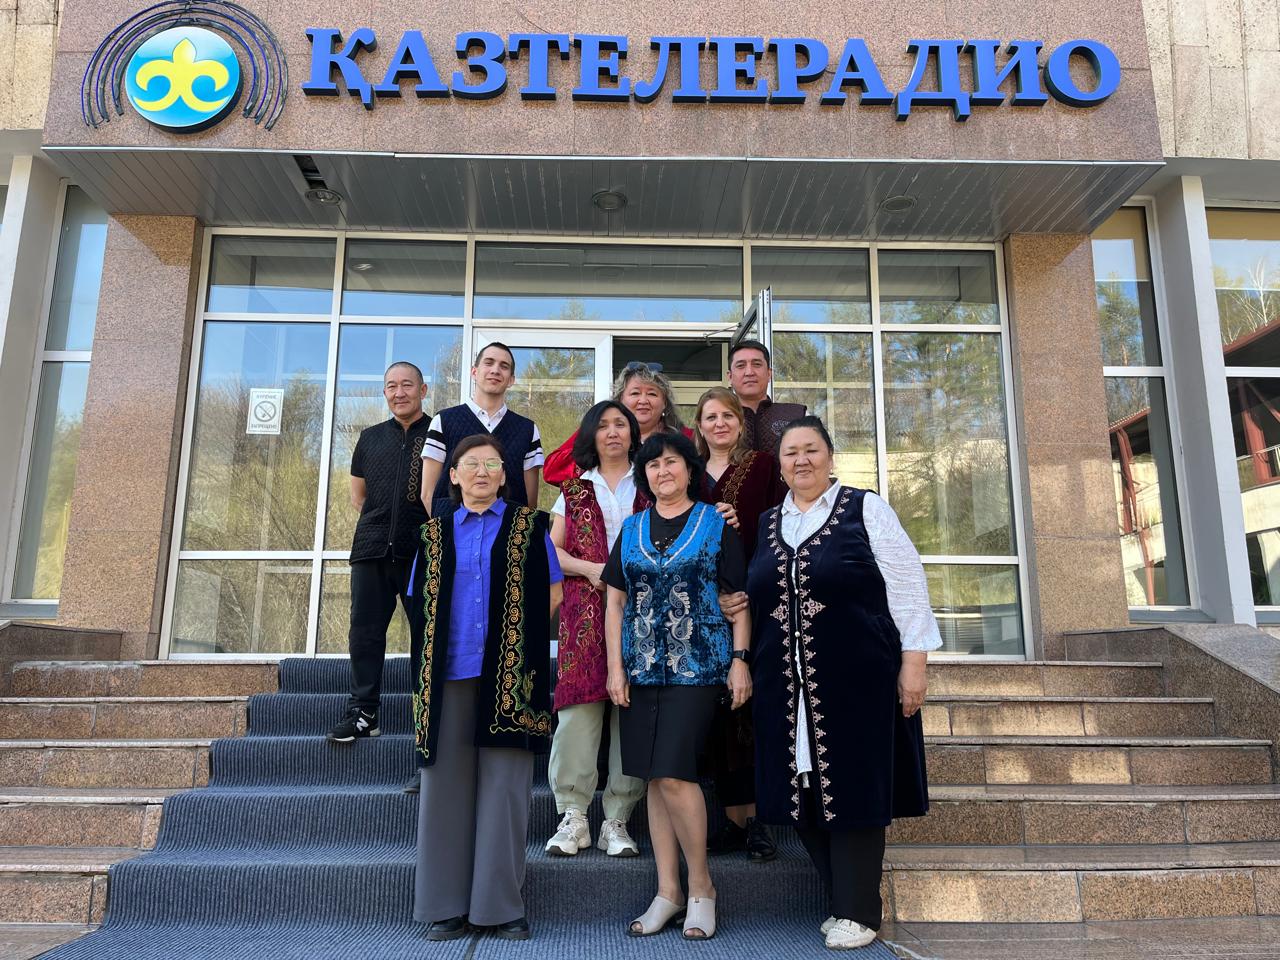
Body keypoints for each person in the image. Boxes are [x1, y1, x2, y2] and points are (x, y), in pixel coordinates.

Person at [738, 416, 940, 951]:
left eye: (811, 449)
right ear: (780, 466)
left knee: (855, 788)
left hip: (859, 679)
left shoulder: (864, 508)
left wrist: (914, 663)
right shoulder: (770, 521)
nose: (801, 460)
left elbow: (907, 585)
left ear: (830, 456)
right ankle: (842, 902)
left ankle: (859, 911)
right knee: (800, 792)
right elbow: (758, 593)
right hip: (785, 686)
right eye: (790, 453)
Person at [412, 434, 563, 943]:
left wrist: (513, 640)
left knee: (505, 792)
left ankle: (500, 907)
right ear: (453, 476)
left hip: (510, 678)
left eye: (492, 464)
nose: (482, 472)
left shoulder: (529, 527)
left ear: (504, 476)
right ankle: (445, 906)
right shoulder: (432, 535)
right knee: (444, 790)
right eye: (471, 464)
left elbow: (553, 592)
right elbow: (418, 601)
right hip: (447, 676)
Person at [604, 432, 752, 942]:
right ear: (644, 476)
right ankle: (667, 891)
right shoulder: (632, 527)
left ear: (689, 470)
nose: (662, 471)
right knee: (653, 778)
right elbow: (615, 602)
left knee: (674, 774)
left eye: (672, 462)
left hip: (699, 666)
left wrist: (740, 661)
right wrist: (615, 668)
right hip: (641, 668)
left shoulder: (716, 523)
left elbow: (739, 598)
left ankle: (701, 886)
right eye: (653, 465)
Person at [544, 401, 648, 859]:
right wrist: (593, 569)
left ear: (632, 434)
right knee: (578, 711)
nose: (612, 432)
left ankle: (617, 819)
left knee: (633, 710)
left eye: (620, 424)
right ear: (591, 435)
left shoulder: (650, 482)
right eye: (603, 425)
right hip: (584, 614)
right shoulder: (572, 489)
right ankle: (573, 816)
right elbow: (553, 551)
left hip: (644, 613)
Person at [692, 387, 787, 864]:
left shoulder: (764, 467)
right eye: (710, 417)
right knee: (715, 715)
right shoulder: (686, 471)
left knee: (749, 710)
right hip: (697, 607)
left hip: (752, 599)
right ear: (699, 425)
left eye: (727, 416)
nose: (719, 424)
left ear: (740, 422)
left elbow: (780, 525)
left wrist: (739, 528)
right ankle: (730, 821)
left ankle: (759, 822)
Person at [327, 361, 429, 746]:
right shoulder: (369, 438)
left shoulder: (440, 435)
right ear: (384, 392)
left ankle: (428, 715)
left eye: (407, 385)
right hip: (370, 549)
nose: (399, 393)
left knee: (427, 634)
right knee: (365, 634)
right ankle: (363, 712)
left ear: (423, 390)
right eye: (391, 386)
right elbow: (359, 497)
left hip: (421, 551)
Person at [420, 342, 544, 515]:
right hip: (453, 529)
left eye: (504, 366)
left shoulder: (528, 429)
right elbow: (427, 494)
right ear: (474, 372)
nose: (495, 370)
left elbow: (530, 501)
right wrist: (445, 528)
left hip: (508, 530)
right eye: (489, 363)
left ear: (511, 379)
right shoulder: (443, 421)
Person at [543, 361, 693, 486]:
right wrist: (595, 450)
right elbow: (552, 471)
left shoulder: (687, 438)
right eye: (635, 393)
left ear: (664, 403)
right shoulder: (599, 432)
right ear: (620, 400)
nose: (643, 400)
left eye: (652, 394)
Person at [728, 340, 805, 455]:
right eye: (740, 366)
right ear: (730, 377)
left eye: (757, 364)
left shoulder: (798, 416)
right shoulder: (718, 422)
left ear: (769, 374)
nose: (749, 372)